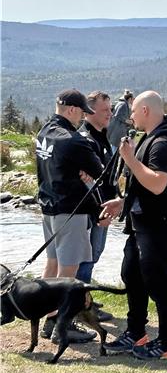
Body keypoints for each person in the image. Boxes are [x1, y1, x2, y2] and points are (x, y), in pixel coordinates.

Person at [101, 91, 167, 360]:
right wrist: (122, 203)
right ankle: (136, 332)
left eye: (133, 111)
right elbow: (143, 186)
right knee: (131, 273)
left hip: (162, 224)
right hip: (142, 221)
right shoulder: (149, 138)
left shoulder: (163, 143)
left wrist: (129, 158)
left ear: (145, 111)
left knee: (158, 281)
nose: (129, 116)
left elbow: (157, 184)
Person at [36, 89, 105, 344]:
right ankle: (62, 326)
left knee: (52, 265)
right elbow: (99, 171)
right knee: (69, 272)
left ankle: (45, 318)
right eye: (82, 114)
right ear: (72, 110)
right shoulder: (73, 140)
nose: (82, 119)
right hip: (70, 210)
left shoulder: (43, 132)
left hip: (48, 207)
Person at [76, 91, 116, 307]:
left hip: (105, 206)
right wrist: (99, 212)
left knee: (95, 254)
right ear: (89, 111)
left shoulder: (103, 137)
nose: (110, 113)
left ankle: (85, 298)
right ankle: (82, 303)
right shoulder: (85, 140)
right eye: (105, 110)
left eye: (110, 109)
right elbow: (88, 183)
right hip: (94, 211)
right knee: (87, 257)